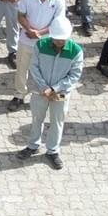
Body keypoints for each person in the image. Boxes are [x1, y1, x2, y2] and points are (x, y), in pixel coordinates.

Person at [20, 14, 82, 170]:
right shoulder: (40, 45)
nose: (60, 42)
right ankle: (33, 145)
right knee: (36, 118)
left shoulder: (76, 51)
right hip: (40, 91)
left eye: (62, 39)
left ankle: (53, 150)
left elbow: (74, 75)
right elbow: (33, 67)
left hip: (61, 94)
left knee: (57, 121)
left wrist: (54, 88)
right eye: (57, 39)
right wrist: (43, 87)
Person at [11, 0, 65, 112]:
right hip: (26, 40)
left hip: (47, 43)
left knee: (44, 72)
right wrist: (29, 30)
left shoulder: (59, 1)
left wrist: (39, 33)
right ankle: (19, 95)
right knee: (22, 68)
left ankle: (41, 95)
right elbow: (20, 15)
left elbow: (58, 23)